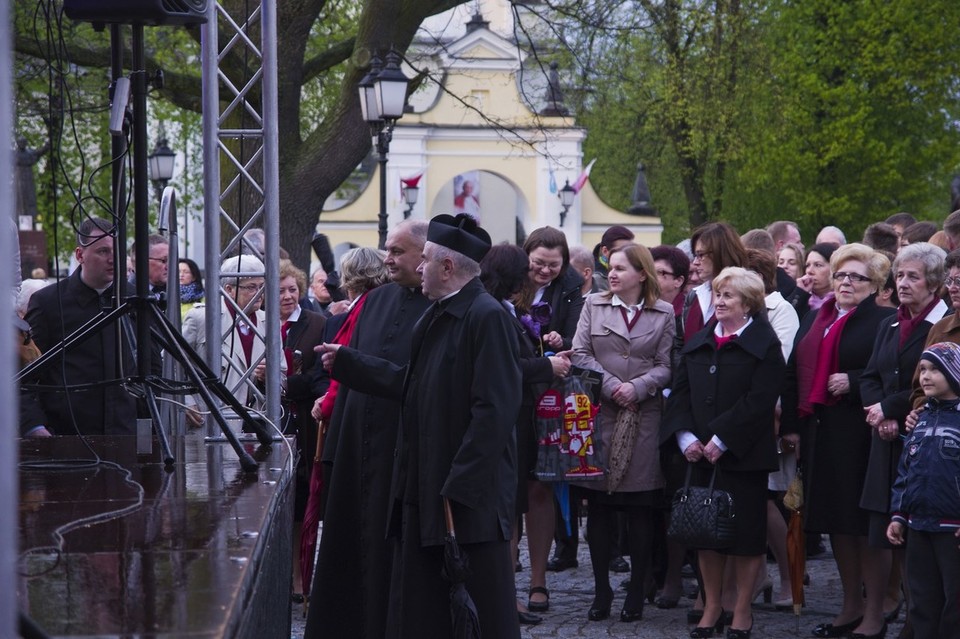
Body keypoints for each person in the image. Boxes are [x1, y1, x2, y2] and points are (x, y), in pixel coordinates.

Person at [316, 214, 522, 639]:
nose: (418, 268)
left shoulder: (486, 317)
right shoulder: (436, 316)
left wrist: (458, 486)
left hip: (465, 498)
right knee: (426, 612)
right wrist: (351, 364)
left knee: (480, 611)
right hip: (427, 488)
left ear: (447, 267)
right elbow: (413, 386)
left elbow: (495, 412)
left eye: (424, 260)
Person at [303, 221, 430, 639]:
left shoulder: (440, 307)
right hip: (358, 448)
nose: (387, 259)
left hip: (401, 450)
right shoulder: (375, 301)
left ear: (426, 255)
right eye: (387, 250)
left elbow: (421, 381)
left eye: (397, 251)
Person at [662, 267, 785, 639]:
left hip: (743, 456)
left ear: (748, 303)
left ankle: (742, 608)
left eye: (728, 295)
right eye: (718, 293)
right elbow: (680, 393)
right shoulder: (700, 340)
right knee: (706, 537)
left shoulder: (764, 344)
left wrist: (723, 438)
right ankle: (712, 605)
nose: (719, 301)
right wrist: (685, 437)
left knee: (745, 538)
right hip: (700, 454)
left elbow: (760, 399)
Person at [780, 243, 895, 639]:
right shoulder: (818, 316)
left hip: (862, 434)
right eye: (841, 275)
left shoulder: (884, 320)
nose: (846, 282)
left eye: (856, 277)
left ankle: (875, 612)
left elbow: (893, 373)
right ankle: (850, 606)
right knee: (836, 524)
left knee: (864, 526)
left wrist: (855, 381)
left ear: (875, 284)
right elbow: (794, 371)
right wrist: (792, 426)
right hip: (820, 431)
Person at [572, 243, 674, 624]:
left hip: (643, 416)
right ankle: (602, 589)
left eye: (620, 268)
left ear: (641, 274)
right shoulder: (594, 305)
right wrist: (614, 386)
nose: (611, 274)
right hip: (602, 413)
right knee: (599, 506)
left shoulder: (663, 312)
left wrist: (639, 387)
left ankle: (636, 590)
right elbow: (580, 353)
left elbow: (666, 365)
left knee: (639, 506)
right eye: (609, 267)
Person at [479, 243, 572, 626]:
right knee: (508, 503)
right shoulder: (492, 310)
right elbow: (501, 368)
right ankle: (506, 593)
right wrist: (547, 367)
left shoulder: (509, 310)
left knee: (533, 494)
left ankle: (533, 583)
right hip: (509, 420)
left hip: (529, 417)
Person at [860, 242, 949, 639]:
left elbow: (937, 379)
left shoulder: (943, 324)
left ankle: (920, 622)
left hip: (927, 438)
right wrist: (878, 411)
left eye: (913, 276)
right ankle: (885, 613)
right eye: (899, 275)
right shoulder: (890, 324)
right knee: (886, 529)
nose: (903, 283)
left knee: (921, 539)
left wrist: (891, 409)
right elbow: (870, 375)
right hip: (886, 438)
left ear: (934, 282)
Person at [512, 226, 585, 597]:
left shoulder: (570, 288)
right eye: (539, 263)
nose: (544, 271)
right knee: (509, 492)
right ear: (526, 256)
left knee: (540, 487)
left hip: (550, 396)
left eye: (553, 265)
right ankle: (507, 574)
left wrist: (561, 339)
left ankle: (538, 580)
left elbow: (578, 338)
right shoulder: (508, 283)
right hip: (514, 395)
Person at [25, 216, 139, 436]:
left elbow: (151, 367)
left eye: (117, 251)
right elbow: (25, 371)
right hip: (65, 435)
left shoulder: (134, 299)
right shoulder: (48, 303)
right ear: (80, 255)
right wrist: (35, 426)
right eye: (103, 251)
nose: (112, 259)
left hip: (126, 432)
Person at [887, 342, 960, 639]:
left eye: (936, 370)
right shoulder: (920, 419)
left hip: (952, 529)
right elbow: (906, 472)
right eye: (923, 370)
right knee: (921, 603)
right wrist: (898, 514)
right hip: (918, 525)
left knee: (955, 605)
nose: (926, 376)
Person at [182, 254, 278, 409]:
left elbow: (282, 374)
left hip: (256, 417)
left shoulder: (270, 322)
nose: (259, 293)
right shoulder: (202, 318)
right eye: (251, 287)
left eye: (262, 286)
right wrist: (186, 402)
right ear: (229, 289)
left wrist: (269, 376)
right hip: (210, 416)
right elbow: (172, 362)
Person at [679, 222, 749, 344]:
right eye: (695, 255)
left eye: (701, 255)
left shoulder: (747, 294)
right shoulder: (694, 295)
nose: (695, 262)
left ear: (720, 253)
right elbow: (679, 342)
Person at [798, 243, 838, 316]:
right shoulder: (802, 298)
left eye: (818, 265)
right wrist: (800, 293)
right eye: (807, 265)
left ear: (833, 269)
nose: (809, 271)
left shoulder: (842, 301)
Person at [592, 225, 635, 291]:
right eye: (620, 250)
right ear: (605, 251)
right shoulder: (596, 280)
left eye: (630, 250)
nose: (627, 255)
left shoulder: (634, 272)